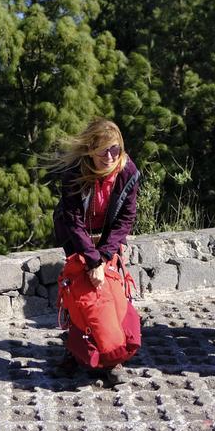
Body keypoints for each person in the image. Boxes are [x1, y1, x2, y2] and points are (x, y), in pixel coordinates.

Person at [51, 118, 141, 380]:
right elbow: (72, 219)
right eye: (104, 150)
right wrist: (91, 261)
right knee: (78, 294)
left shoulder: (128, 171)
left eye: (115, 149)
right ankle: (74, 350)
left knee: (111, 292)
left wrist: (103, 256)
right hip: (76, 236)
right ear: (90, 149)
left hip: (108, 239)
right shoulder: (74, 172)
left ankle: (112, 355)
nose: (110, 156)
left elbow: (127, 217)